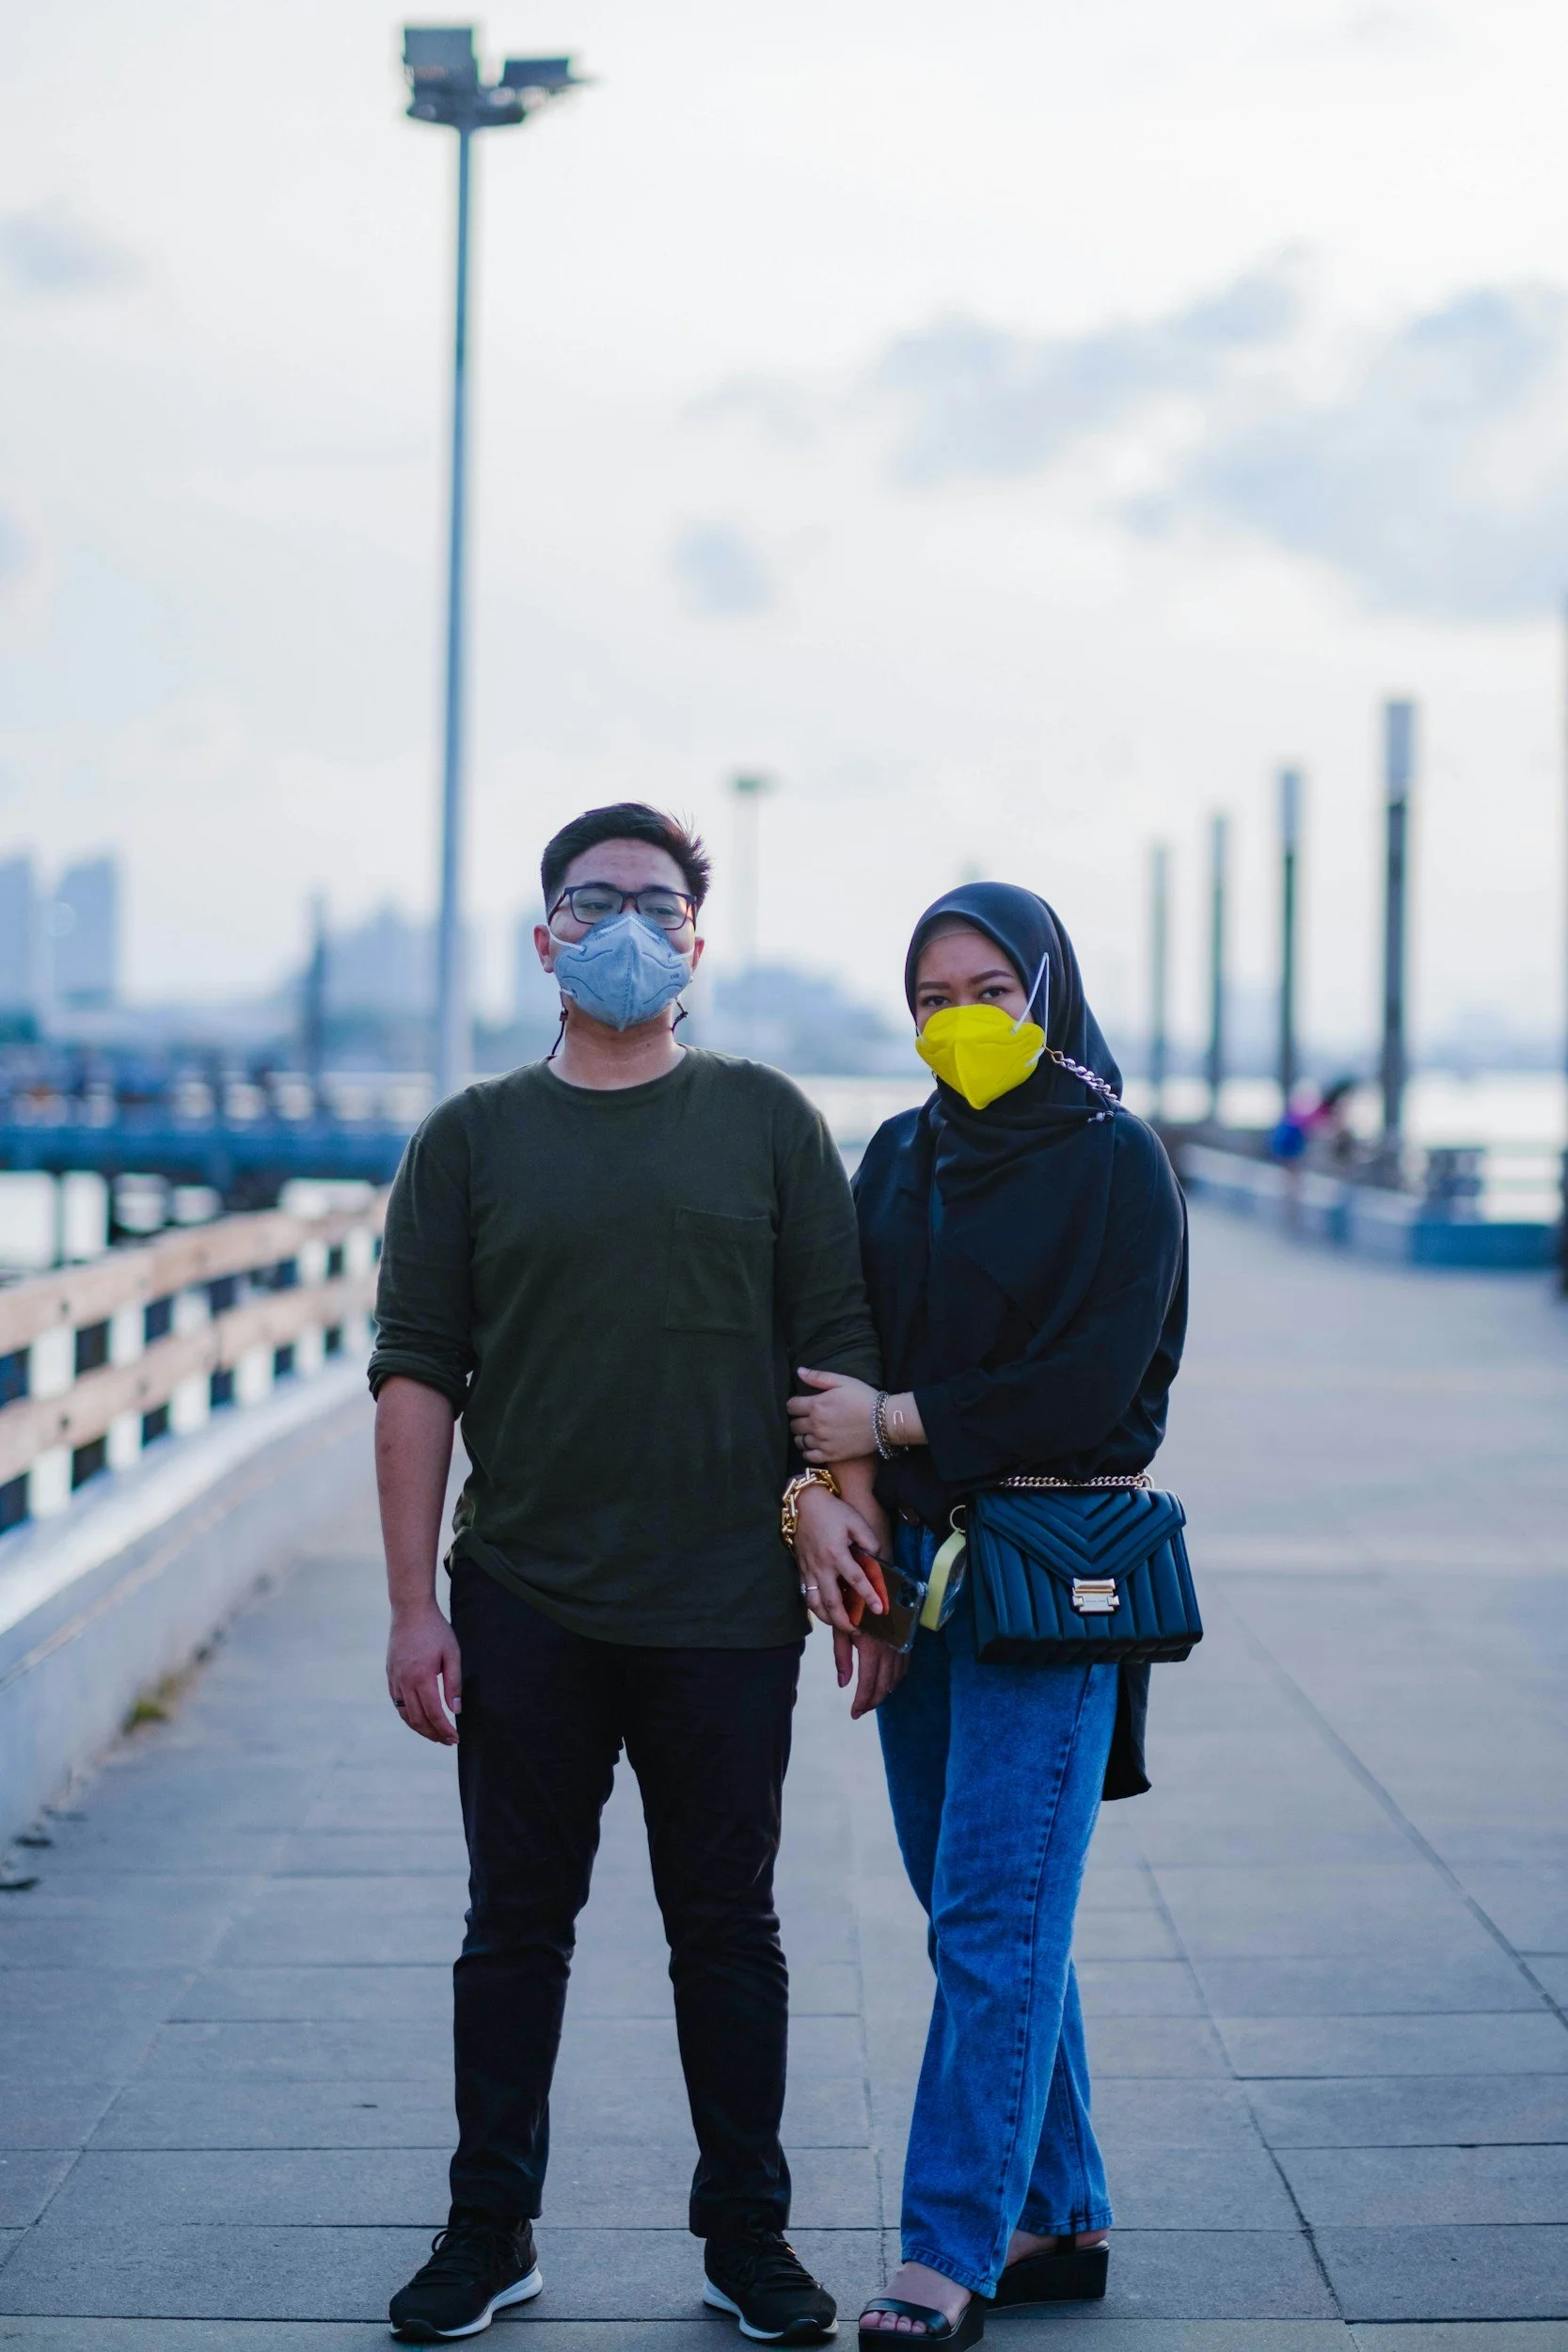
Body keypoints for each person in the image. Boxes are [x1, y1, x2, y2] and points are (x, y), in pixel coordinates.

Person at [371, 803, 888, 2344]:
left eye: (656, 904)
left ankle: (748, 2236)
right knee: (511, 1927)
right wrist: (410, 1608)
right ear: (542, 939)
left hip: (726, 1608)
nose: (624, 925)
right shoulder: (468, 1139)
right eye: (593, 900)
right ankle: (488, 2229)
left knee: (727, 1929)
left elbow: (833, 1354)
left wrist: (840, 1519)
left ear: (695, 945)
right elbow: (415, 1381)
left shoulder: (769, 1122)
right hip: (524, 1596)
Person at [787, 883, 1188, 2347]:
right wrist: (856, 1553)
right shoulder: (896, 1156)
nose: (960, 1021)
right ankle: (1057, 2208)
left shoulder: (1116, 1164)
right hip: (923, 1575)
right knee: (985, 1913)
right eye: (931, 997)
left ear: (1047, 993)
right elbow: (832, 1348)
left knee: (990, 1914)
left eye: (988, 991)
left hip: (1053, 1575)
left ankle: (946, 2249)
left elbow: (1094, 1390)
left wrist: (891, 1417)